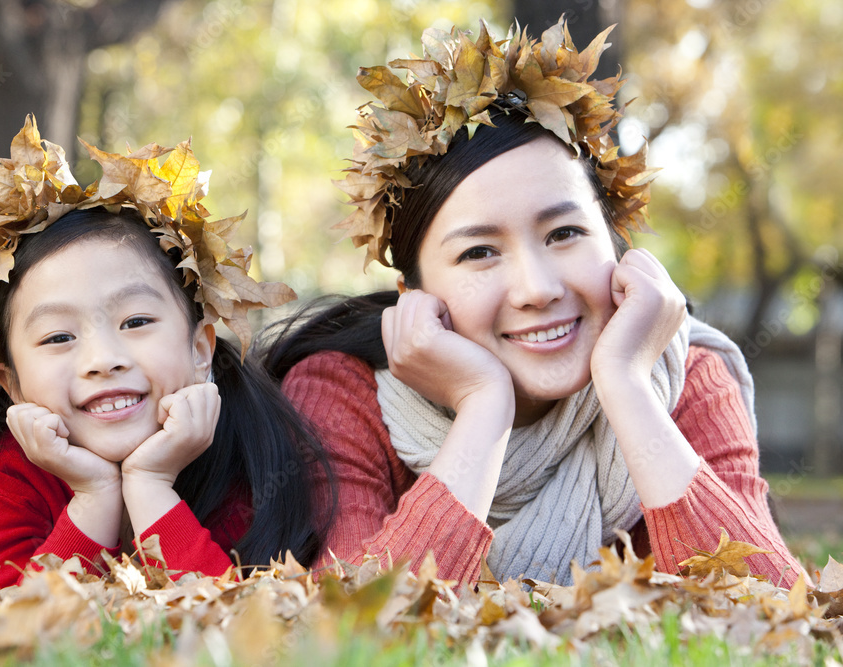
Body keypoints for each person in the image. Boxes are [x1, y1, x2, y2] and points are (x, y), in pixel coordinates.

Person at [262, 19, 805, 588]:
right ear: (415, 299)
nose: (538, 288)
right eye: (479, 252)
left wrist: (626, 386)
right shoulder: (344, 392)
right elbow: (355, 615)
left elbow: (774, 605)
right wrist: (482, 408)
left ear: (619, 250)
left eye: (563, 234)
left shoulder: (682, 376)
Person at [0, 117, 325, 608]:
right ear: (14, 386)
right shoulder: (6, 475)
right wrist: (94, 497)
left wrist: (151, 487)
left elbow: (241, 619)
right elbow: (15, 631)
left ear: (199, 350)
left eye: (136, 322)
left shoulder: (242, 451)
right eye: (59, 336)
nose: (103, 360)